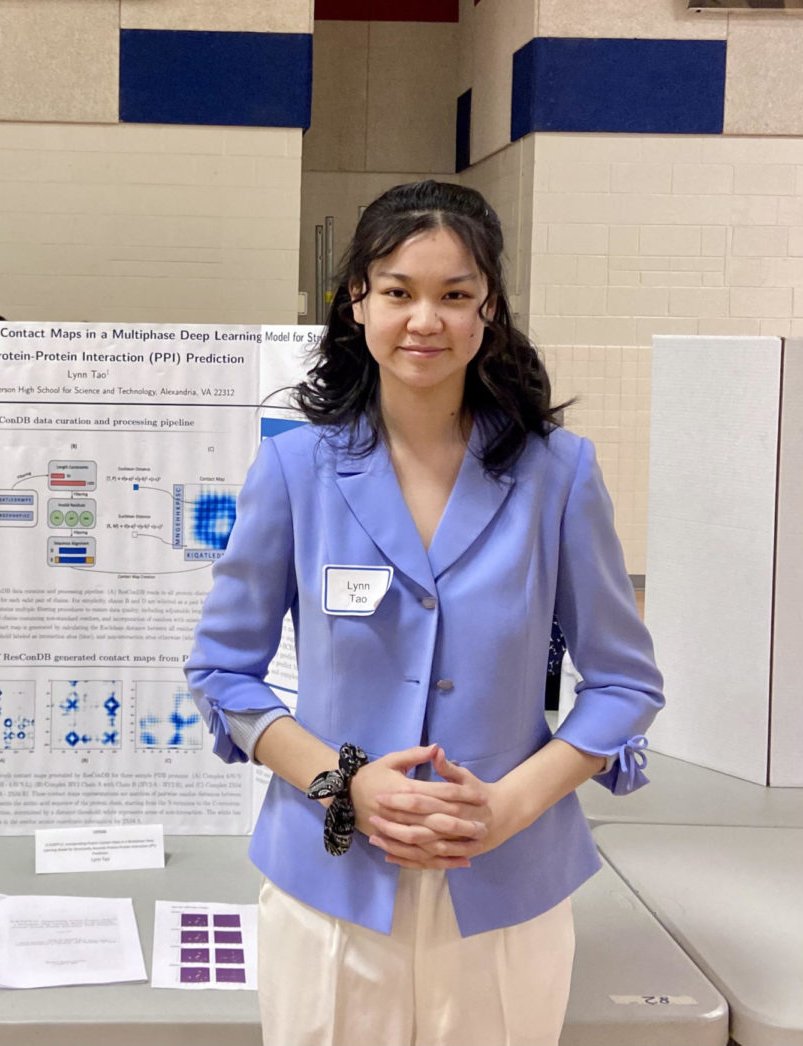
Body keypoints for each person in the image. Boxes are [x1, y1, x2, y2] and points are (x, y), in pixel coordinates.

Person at [184, 180, 663, 1046]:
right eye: (399, 291)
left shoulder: (558, 475)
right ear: (357, 303)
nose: (424, 321)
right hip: (330, 880)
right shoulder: (296, 470)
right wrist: (345, 786)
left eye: (455, 295)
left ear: (489, 312)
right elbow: (223, 674)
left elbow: (624, 685)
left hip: (507, 881)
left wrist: (512, 806)